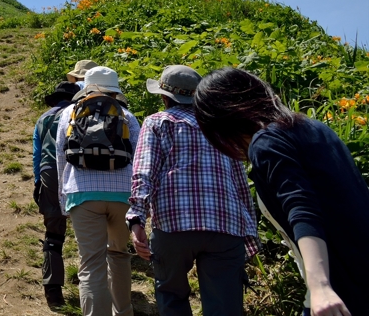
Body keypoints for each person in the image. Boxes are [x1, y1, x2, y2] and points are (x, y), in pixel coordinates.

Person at [193, 67, 369, 316]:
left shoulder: (266, 142)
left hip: (343, 289)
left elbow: (302, 208)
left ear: (220, 120)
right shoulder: (315, 128)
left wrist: (321, 287)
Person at [127, 65, 258, 316]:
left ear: (165, 97)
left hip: (174, 224)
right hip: (226, 225)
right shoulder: (222, 129)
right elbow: (241, 185)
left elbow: (144, 172)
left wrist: (136, 220)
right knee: (225, 306)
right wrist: (250, 236)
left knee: (171, 295)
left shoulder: (158, 122)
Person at [56, 66, 140, 316]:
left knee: (91, 264)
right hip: (122, 197)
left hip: (83, 195)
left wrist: (64, 199)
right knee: (119, 255)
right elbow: (139, 158)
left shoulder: (70, 113)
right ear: (115, 90)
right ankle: (123, 312)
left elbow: (61, 156)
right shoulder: (127, 115)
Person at [33, 79, 79, 307]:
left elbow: (37, 153)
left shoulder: (44, 118)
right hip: (80, 170)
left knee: (53, 232)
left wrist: (37, 182)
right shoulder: (81, 112)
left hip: (50, 171)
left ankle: (53, 292)